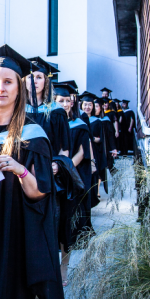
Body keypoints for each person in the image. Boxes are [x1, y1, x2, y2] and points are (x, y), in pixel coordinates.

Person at [0, 45, 67, 299]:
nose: (0, 88)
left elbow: (41, 192)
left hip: (13, 237)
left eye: (8, 82)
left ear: (19, 88)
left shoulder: (32, 134)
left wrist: (19, 169)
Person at [58, 82, 93, 286]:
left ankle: (64, 269)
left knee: (66, 228)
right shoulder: (52, 121)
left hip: (69, 180)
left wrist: (64, 168)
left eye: (67, 100)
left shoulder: (79, 124)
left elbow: (82, 152)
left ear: (73, 102)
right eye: (60, 101)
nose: (64, 104)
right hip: (51, 179)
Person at [25, 57, 69, 157]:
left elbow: (65, 148)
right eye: (30, 77)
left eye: (39, 77)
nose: (34, 81)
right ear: (24, 80)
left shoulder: (56, 111)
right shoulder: (16, 110)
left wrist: (58, 164)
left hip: (49, 166)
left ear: (46, 81)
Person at [81, 92, 105, 207]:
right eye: (85, 104)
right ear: (81, 105)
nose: (87, 107)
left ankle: (94, 196)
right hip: (81, 152)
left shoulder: (97, 121)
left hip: (94, 151)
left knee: (94, 175)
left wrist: (91, 138)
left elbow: (101, 139)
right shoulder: (78, 120)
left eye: (90, 104)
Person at [95, 98, 118, 194]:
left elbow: (110, 136)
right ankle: (97, 191)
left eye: (97, 106)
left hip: (104, 147)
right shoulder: (89, 119)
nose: (95, 108)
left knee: (106, 166)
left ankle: (117, 178)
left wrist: (113, 148)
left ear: (101, 108)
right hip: (95, 148)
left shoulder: (105, 120)